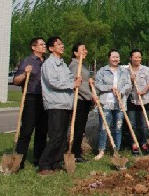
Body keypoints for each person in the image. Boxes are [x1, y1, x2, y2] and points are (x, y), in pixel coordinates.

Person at [37, 36, 80, 175]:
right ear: (51, 48)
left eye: (62, 44)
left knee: (62, 138)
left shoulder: (63, 64)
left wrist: (74, 80)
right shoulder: (49, 64)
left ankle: (55, 163)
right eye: (58, 44)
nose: (62, 46)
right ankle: (44, 165)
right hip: (55, 104)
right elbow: (52, 82)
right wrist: (71, 84)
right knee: (55, 136)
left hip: (66, 104)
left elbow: (68, 79)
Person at [13, 37, 48, 169]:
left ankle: (38, 159)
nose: (44, 46)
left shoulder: (46, 62)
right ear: (33, 47)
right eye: (41, 44)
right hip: (31, 98)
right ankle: (19, 160)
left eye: (44, 44)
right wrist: (25, 74)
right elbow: (16, 80)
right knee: (27, 131)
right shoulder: (28, 61)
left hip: (45, 99)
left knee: (42, 131)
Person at [93, 49, 132, 160]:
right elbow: (97, 84)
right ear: (109, 58)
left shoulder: (124, 71)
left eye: (117, 57)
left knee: (118, 128)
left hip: (120, 104)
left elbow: (128, 85)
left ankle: (116, 150)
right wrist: (109, 88)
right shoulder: (102, 71)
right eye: (113, 57)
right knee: (104, 128)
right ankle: (101, 150)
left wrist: (121, 92)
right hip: (105, 103)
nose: (116, 59)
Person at [68, 42, 92, 163]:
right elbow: (78, 85)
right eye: (82, 49)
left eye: (85, 49)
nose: (85, 51)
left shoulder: (83, 65)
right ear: (75, 52)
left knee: (81, 127)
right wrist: (91, 95)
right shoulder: (74, 65)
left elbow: (85, 82)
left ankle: (77, 151)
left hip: (85, 100)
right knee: (77, 127)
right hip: (79, 100)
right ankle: (74, 152)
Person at [127, 48, 149, 155]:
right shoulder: (127, 71)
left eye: (139, 57)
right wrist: (130, 79)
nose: (137, 59)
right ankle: (134, 144)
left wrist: (143, 91)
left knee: (144, 125)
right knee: (132, 124)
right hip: (131, 101)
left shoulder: (146, 70)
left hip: (144, 100)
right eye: (135, 57)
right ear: (131, 58)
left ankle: (144, 144)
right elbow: (123, 86)